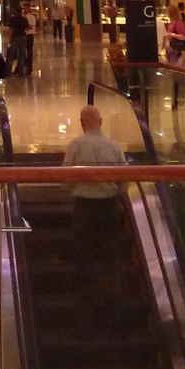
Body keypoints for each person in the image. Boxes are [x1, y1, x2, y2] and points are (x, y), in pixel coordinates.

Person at [63, 106, 129, 291]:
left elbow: (65, 177)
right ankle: (113, 296)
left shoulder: (75, 145)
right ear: (101, 122)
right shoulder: (115, 146)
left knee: (85, 254)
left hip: (84, 206)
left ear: (82, 123)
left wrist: (74, 188)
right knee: (110, 255)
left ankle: (87, 296)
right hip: (109, 204)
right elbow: (124, 179)